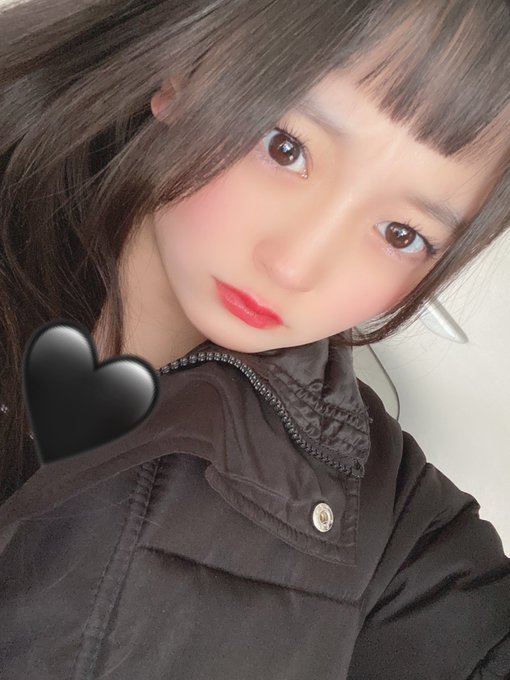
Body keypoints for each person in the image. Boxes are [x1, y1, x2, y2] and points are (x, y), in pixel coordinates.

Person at [0, 0, 509, 677]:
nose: (295, 266)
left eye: (401, 234)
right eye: (285, 147)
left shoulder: (396, 528)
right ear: (183, 75)